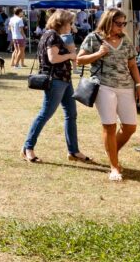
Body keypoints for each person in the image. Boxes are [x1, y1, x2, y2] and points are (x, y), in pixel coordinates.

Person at [78, 9, 140, 182]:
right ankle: (114, 166)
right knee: (110, 126)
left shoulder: (126, 40)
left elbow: (132, 65)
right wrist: (99, 54)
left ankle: (111, 151)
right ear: (108, 22)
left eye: (124, 23)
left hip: (126, 87)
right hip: (104, 86)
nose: (122, 27)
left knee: (130, 127)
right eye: (119, 23)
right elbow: (79, 60)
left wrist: (139, 86)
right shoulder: (94, 38)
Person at [21, 10, 92, 164]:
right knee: (45, 114)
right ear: (61, 23)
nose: (71, 26)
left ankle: (73, 151)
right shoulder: (52, 36)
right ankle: (28, 148)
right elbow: (53, 59)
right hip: (56, 80)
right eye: (70, 23)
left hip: (63, 80)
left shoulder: (51, 35)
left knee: (71, 114)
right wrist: (71, 55)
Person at [8, 8, 27, 73]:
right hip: (20, 37)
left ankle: (12, 63)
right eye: (22, 12)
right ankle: (16, 64)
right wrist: (24, 36)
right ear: (19, 12)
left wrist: (14, 33)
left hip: (14, 37)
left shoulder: (12, 18)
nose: (23, 13)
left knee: (16, 50)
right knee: (21, 51)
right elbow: (21, 30)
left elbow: (9, 28)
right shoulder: (20, 19)